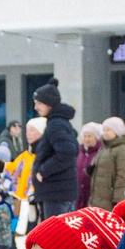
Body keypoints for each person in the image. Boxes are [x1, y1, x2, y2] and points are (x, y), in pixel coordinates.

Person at [30, 87, 79, 221]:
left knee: (55, 237)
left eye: (39, 103)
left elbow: (68, 152)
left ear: (49, 103)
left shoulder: (56, 124)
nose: (35, 107)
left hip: (56, 192)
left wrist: (43, 171)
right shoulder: (58, 122)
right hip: (58, 191)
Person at [86, 115, 125, 212]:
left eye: (108, 130)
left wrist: (117, 199)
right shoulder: (104, 148)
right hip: (97, 197)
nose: (105, 133)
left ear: (117, 131)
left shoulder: (122, 149)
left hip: (109, 198)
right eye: (104, 130)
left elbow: (122, 175)